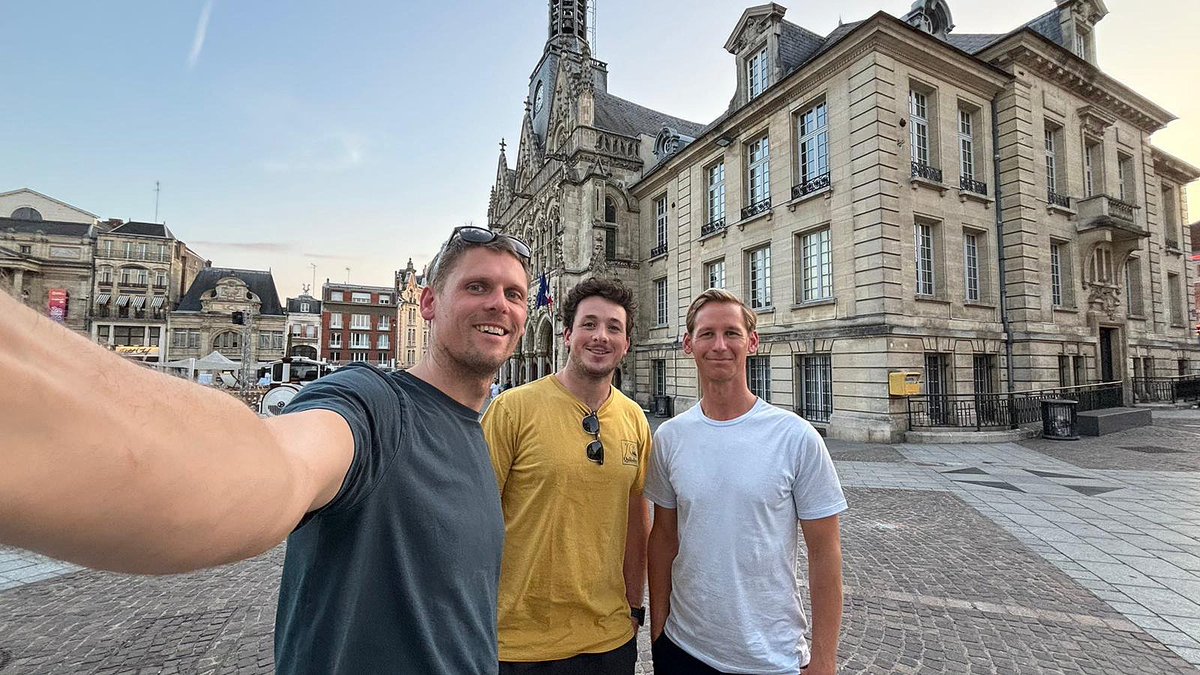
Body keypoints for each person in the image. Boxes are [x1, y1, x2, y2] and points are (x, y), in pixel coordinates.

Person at [0, 225, 532, 674]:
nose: (498, 305)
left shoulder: (475, 431)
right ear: (429, 302)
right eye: (478, 286)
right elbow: (274, 464)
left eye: (514, 294)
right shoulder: (376, 406)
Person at [645, 289, 847, 675]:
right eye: (707, 334)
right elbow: (664, 539)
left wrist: (824, 661)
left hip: (769, 656)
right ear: (688, 345)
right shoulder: (670, 438)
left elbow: (826, 553)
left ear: (752, 342)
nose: (719, 345)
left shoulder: (796, 437)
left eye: (731, 333)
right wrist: (659, 633)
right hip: (684, 649)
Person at [482, 277, 651, 674]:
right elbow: (472, 522)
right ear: (567, 335)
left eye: (614, 328)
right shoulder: (511, 410)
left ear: (626, 345)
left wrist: (633, 609)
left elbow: (635, 522)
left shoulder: (635, 420)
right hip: (518, 646)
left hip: (609, 641)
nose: (601, 337)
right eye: (589, 324)